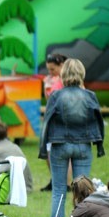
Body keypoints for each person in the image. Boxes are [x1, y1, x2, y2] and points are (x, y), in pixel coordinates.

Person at [39, 58, 105, 217]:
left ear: (63, 74)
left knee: (59, 190)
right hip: (83, 146)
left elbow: (46, 121)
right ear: (81, 73)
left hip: (59, 145)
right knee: (83, 190)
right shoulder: (90, 96)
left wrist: (42, 148)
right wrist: (99, 145)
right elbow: (98, 121)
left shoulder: (55, 96)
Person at [40, 53, 69, 191]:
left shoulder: (67, 80)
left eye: (52, 69)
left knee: (64, 151)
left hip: (62, 120)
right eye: (49, 69)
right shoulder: (53, 79)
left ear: (61, 65)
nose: (50, 72)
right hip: (51, 119)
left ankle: (66, 183)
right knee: (47, 150)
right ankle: (55, 180)